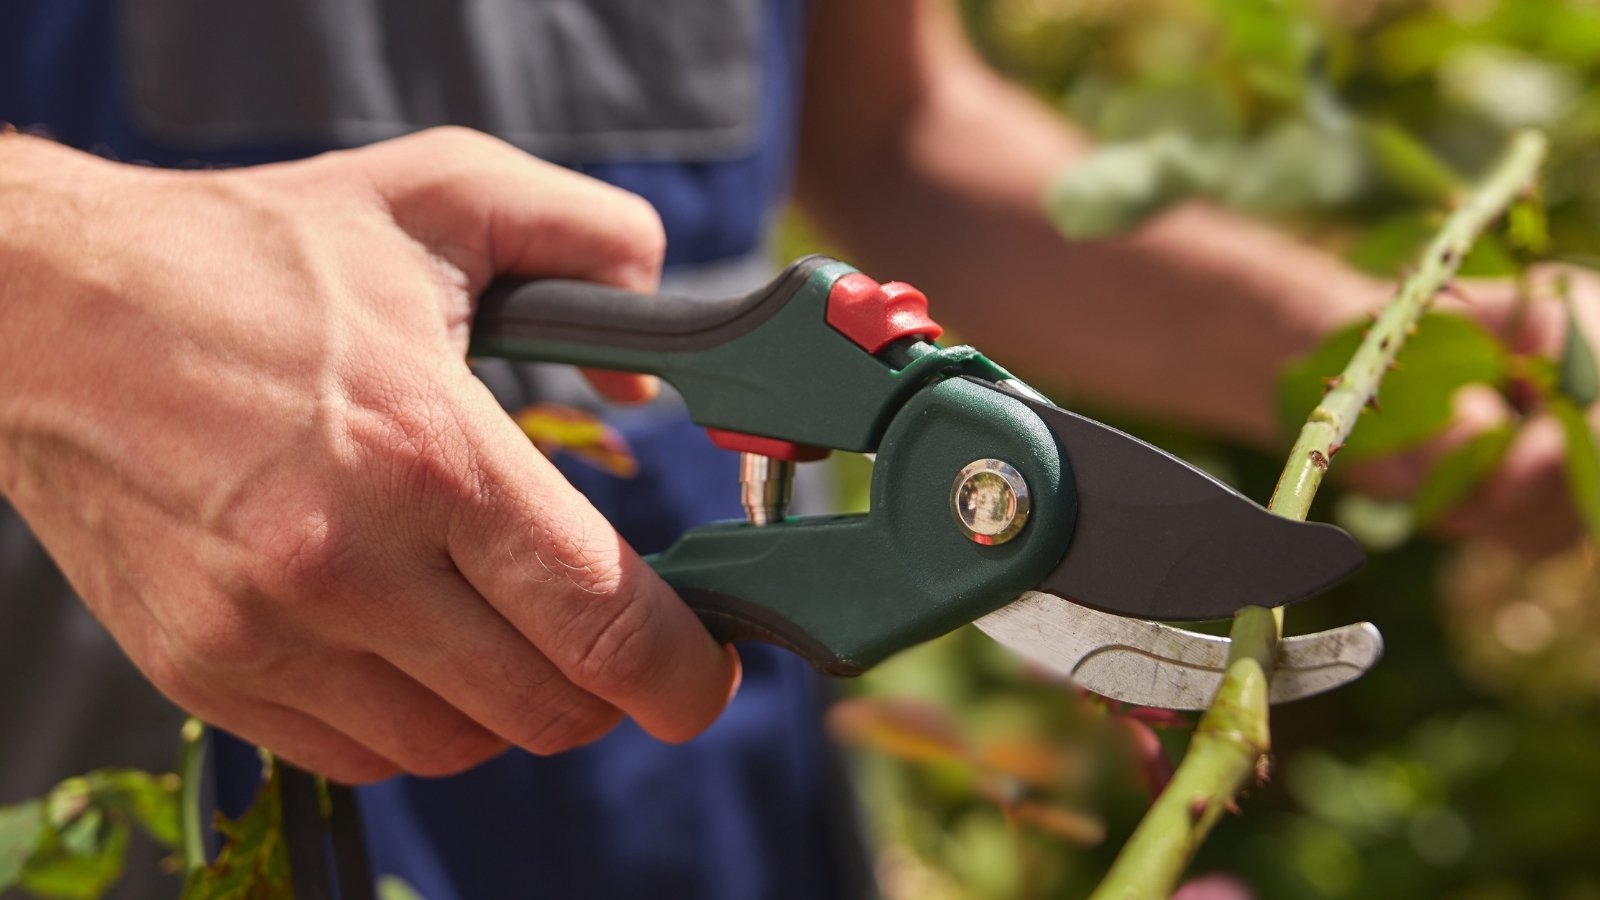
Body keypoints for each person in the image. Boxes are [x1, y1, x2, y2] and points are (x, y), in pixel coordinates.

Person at [1, 1, 1592, 897]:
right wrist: (54, 291)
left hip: (688, 802)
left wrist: (1377, 360)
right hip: (119, 754)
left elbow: (900, 140)